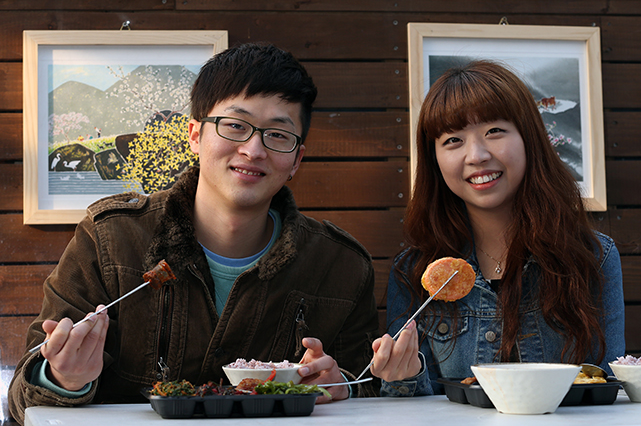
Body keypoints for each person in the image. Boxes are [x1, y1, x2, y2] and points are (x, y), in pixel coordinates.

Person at [9, 43, 379, 423]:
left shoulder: (342, 266)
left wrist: (343, 386)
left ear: (297, 159)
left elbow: (374, 389)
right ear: (194, 134)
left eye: (278, 135)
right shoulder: (109, 241)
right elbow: (22, 402)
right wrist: (62, 378)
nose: (253, 150)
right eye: (235, 126)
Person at [369, 61, 624, 396]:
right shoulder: (415, 271)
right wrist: (402, 378)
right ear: (434, 160)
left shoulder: (592, 257)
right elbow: (413, 408)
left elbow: (606, 389)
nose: (476, 155)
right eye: (453, 140)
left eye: (494, 132)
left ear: (529, 137)